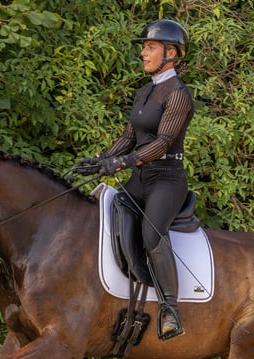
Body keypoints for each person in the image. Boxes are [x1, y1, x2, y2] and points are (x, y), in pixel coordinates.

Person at [78, 19, 194, 340]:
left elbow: (162, 143)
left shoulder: (179, 95)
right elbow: (130, 135)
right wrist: (101, 160)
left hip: (167, 180)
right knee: (111, 213)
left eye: (150, 47)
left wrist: (124, 162)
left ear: (171, 53)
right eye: (144, 47)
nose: (143, 53)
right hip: (140, 178)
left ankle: (171, 310)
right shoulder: (146, 90)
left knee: (151, 234)